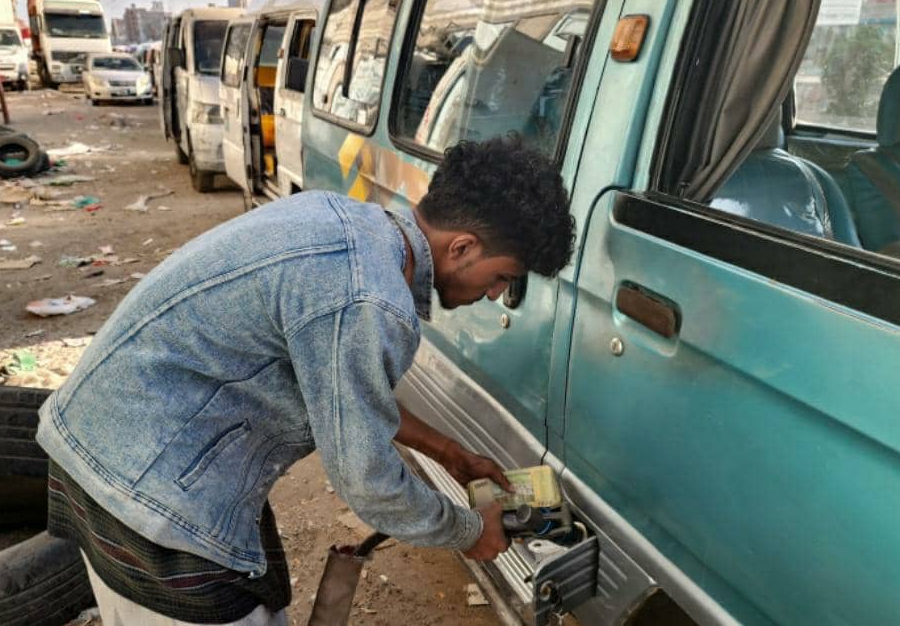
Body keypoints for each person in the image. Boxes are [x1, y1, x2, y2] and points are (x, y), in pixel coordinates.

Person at [36, 134, 576, 626]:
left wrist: (449, 453)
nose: (494, 294)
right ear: (462, 247)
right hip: (145, 498)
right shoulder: (371, 299)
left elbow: (347, 400)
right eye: (502, 277)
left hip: (99, 447)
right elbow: (368, 481)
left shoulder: (340, 220)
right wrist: (470, 530)